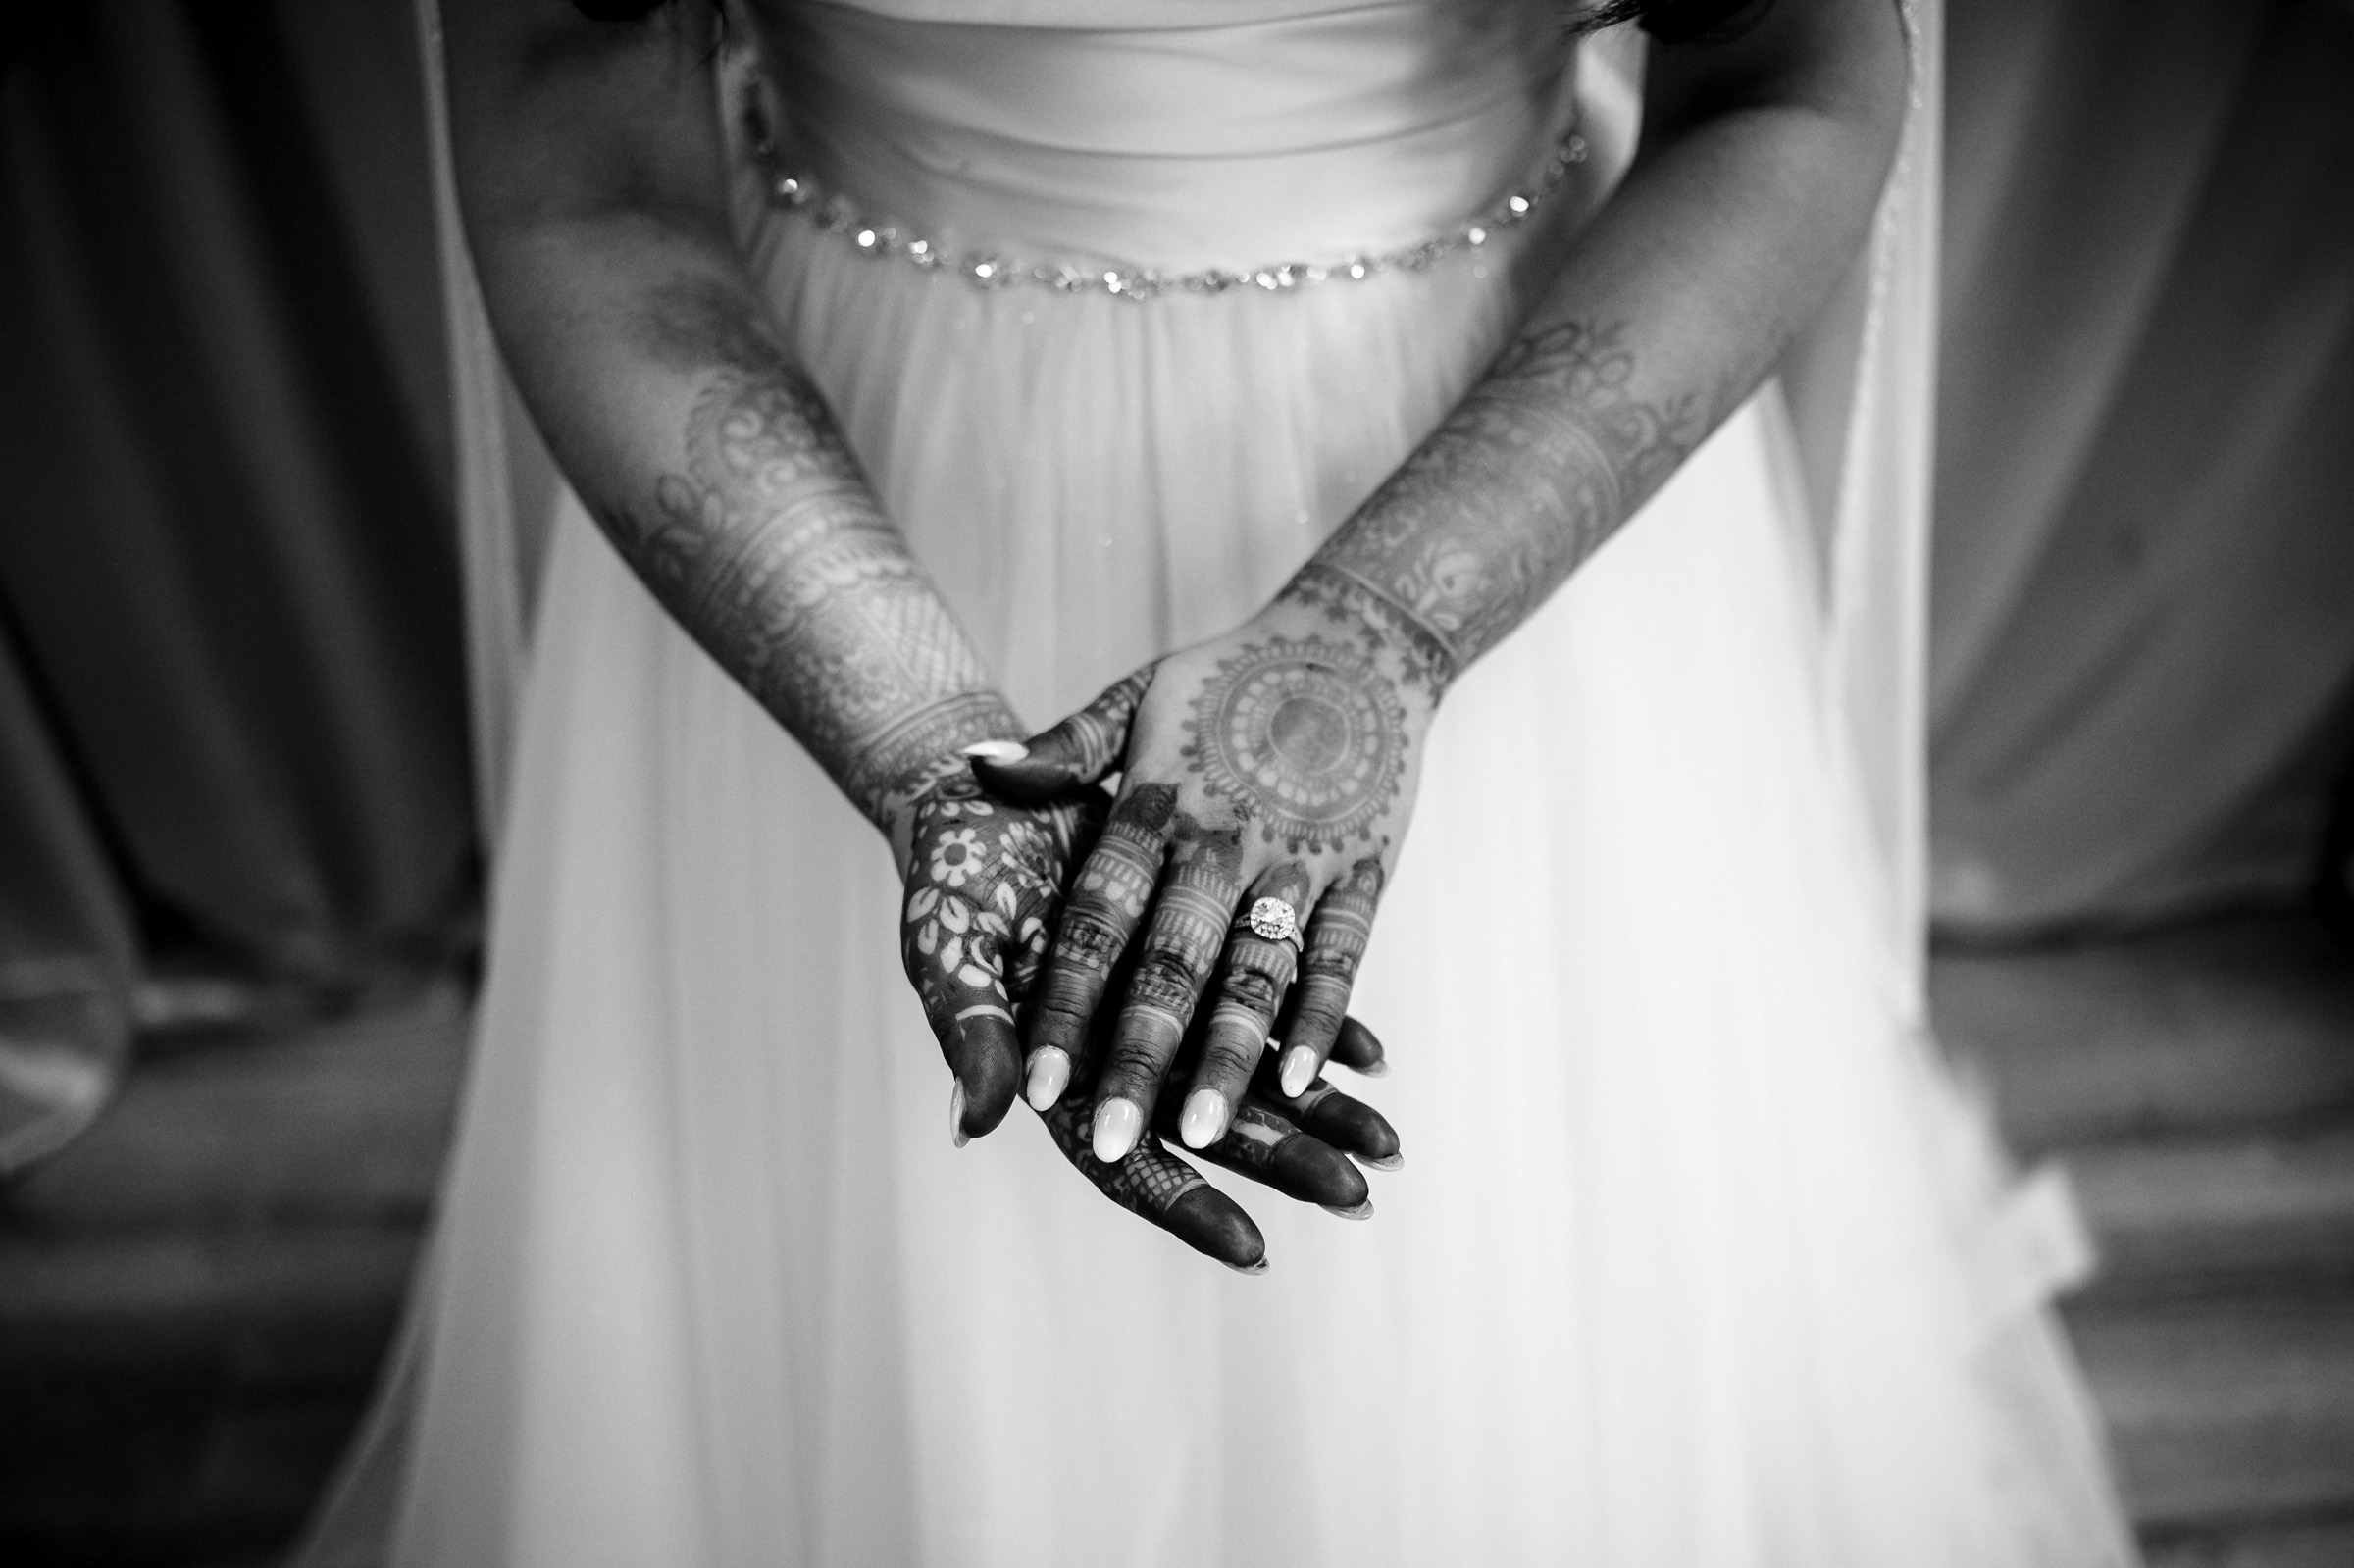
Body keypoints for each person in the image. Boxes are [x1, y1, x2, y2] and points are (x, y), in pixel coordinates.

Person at [303, 0, 2142, 1561]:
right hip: (836, 483)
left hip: (1491, 467)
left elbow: (1793, 73)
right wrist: (928, 745)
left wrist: (1378, 634)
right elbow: (583, 163)